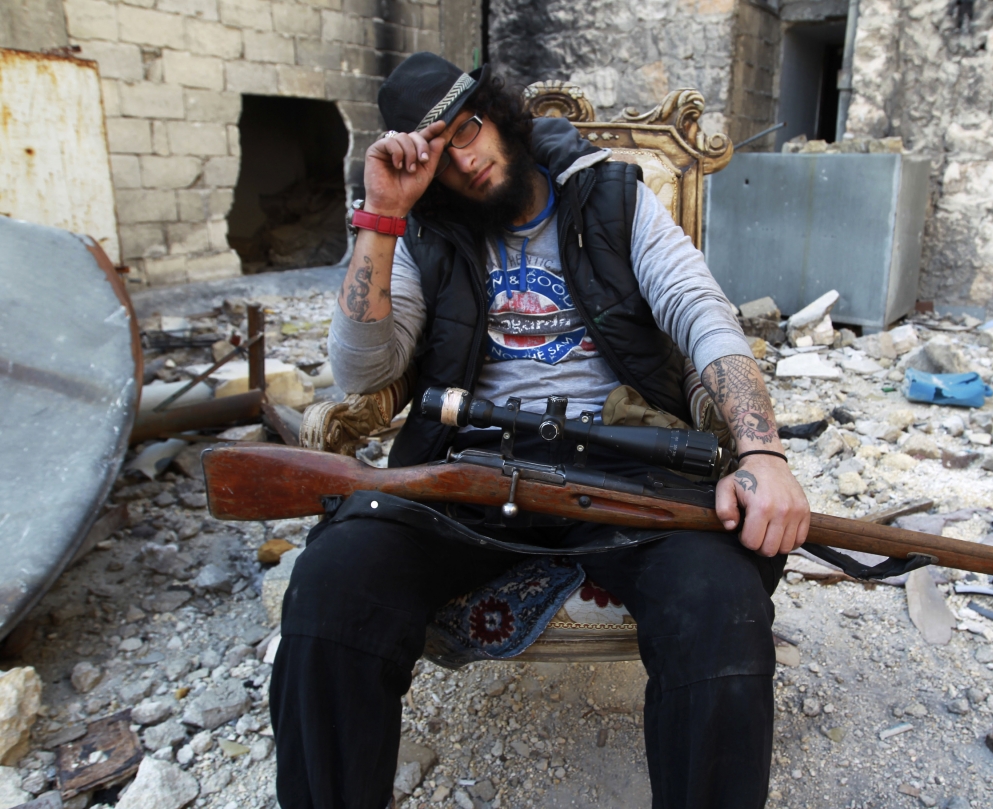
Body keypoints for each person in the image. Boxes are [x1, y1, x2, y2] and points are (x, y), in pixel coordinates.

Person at [270, 52, 812, 809]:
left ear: (501, 112)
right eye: (435, 152)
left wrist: (761, 450)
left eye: (469, 129)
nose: (463, 159)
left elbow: (706, 321)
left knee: (719, 605)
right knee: (332, 584)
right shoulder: (422, 228)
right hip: (468, 468)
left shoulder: (612, 196)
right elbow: (363, 375)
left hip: (623, 458)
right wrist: (383, 213)